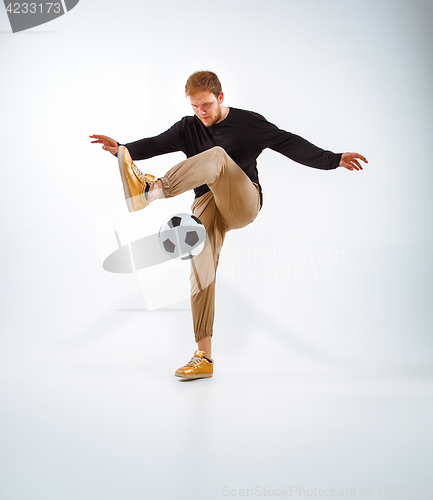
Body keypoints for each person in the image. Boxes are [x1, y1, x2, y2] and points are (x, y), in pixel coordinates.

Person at [90, 70, 367, 380]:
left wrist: (333, 158)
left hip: (242, 201)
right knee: (201, 269)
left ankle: (151, 192)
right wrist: (121, 149)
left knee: (218, 157)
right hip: (207, 205)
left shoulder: (249, 124)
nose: (201, 113)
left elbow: (288, 143)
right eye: (195, 107)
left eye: (206, 105)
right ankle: (204, 357)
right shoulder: (188, 127)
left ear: (221, 98)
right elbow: (154, 144)